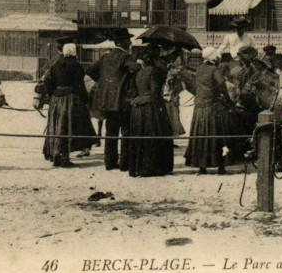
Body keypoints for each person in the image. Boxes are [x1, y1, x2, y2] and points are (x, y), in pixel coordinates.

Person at [34, 43, 97, 168]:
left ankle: (56, 156)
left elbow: (48, 83)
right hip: (71, 99)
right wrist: (85, 100)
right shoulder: (76, 66)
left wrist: (54, 95)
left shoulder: (56, 64)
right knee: (68, 127)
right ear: (74, 52)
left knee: (56, 126)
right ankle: (65, 158)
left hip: (56, 100)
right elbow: (80, 86)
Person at [86, 30, 141, 171]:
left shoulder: (105, 57)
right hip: (122, 101)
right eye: (128, 40)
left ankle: (109, 163)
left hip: (106, 101)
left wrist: (104, 83)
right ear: (122, 42)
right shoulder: (125, 57)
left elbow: (90, 71)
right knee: (126, 132)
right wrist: (140, 64)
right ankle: (124, 164)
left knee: (110, 132)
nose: (130, 43)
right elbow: (135, 69)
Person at [127, 46, 174, 177]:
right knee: (155, 134)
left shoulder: (140, 73)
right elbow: (154, 93)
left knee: (141, 137)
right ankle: (153, 168)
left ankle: (139, 167)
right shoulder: (154, 71)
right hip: (150, 108)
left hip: (139, 108)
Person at [185, 47, 232, 174]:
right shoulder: (214, 69)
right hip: (212, 107)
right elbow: (221, 83)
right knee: (218, 133)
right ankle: (221, 167)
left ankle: (202, 166)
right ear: (213, 57)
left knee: (200, 134)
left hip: (200, 108)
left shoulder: (199, 69)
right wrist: (227, 98)